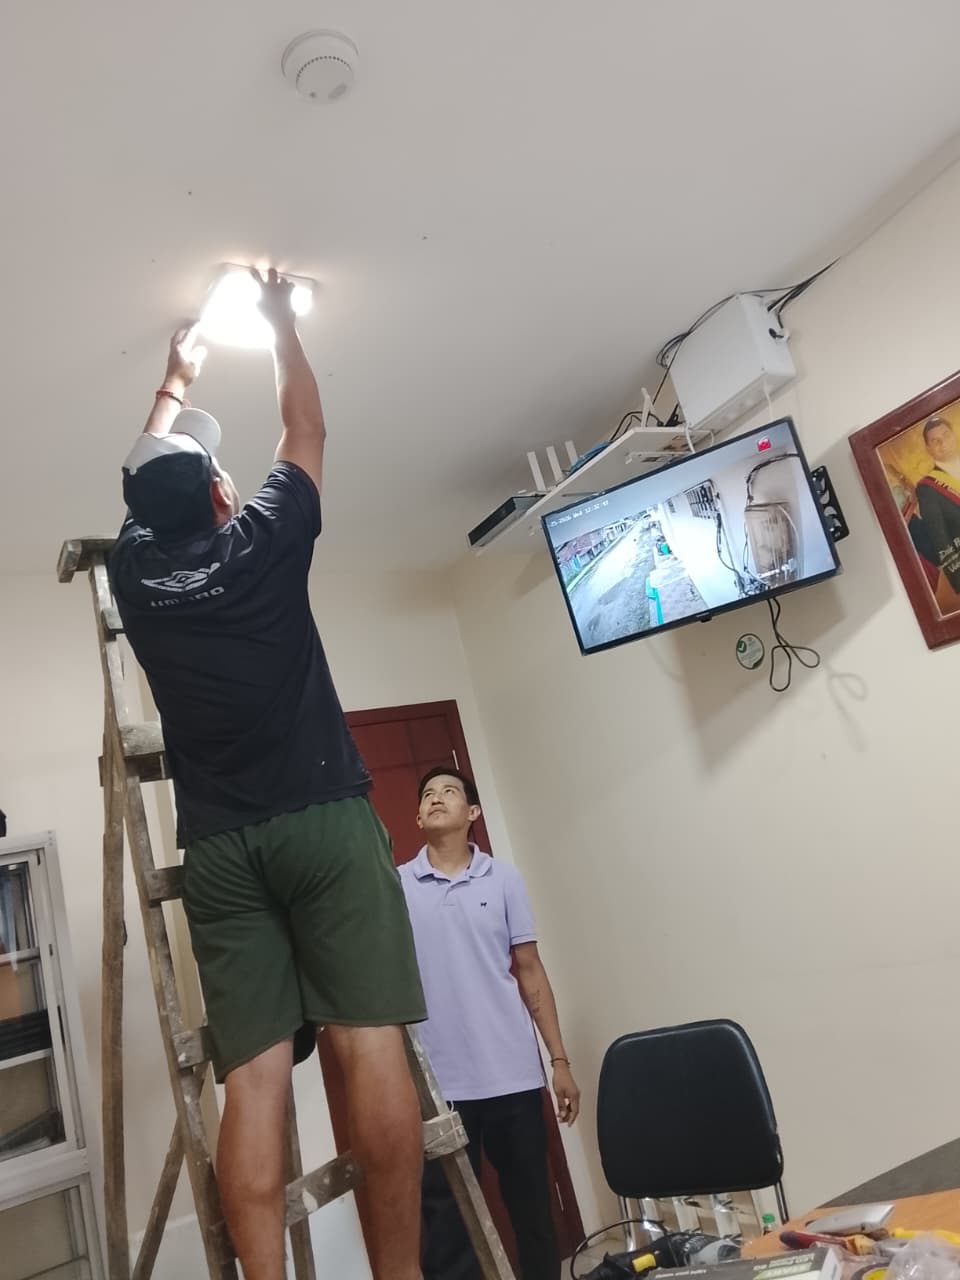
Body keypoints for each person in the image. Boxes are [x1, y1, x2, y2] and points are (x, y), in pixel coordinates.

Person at [108, 270, 426, 1280]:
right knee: (368, 1042)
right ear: (219, 493)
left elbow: (143, 485)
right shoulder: (264, 540)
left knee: (250, 1082)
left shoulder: (136, 577)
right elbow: (307, 428)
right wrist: (284, 323)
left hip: (219, 847)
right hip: (321, 819)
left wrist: (172, 383)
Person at [398, 767, 580, 1280]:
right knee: (449, 1225)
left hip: (512, 1075)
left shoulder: (503, 879)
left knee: (532, 1210)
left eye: (448, 792)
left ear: (473, 812)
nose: (436, 798)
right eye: (427, 794)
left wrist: (559, 1060)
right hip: (439, 1085)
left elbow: (529, 969)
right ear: (418, 817)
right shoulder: (398, 885)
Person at [916, 415, 960, 608]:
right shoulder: (927, 488)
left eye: (946, 435)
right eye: (935, 441)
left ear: (954, 435)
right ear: (928, 449)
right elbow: (940, 539)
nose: (943, 443)